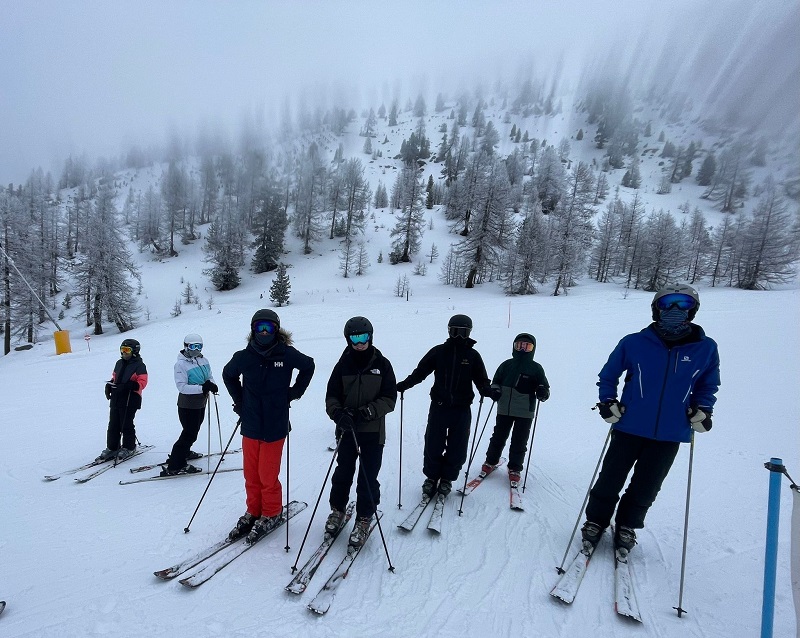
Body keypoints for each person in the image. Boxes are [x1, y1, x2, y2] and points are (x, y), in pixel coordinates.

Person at [581, 284, 720, 553]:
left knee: (647, 485)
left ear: (693, 310)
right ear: (657, 308)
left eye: (684, 304)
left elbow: (708, 384)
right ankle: (596, 520)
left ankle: (627, 524)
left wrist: (704, 410)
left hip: (671, 431)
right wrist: (607, 401)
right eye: (668, 303)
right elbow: (608, 375)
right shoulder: (634, 342)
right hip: (629, 425)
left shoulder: (705, 348)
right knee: (610, 478)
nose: (675, 310)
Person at [222, 309, 315, 544]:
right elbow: (228, 375)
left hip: (275, 425)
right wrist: (240, 401)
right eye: (260, 327)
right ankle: (254, 511)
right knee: (251, 473)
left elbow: (308, 366)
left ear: (276, 329)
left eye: (269, 328)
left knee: (267, 474)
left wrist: (294, 392)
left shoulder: (286, 354)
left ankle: (272, 512)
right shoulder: (244, 356)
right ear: (253, 329)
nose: (264, 332)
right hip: (251, 424)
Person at [395, 314, 492, 499]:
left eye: (463, 333)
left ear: (469, 333)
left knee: (458, 446)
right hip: (439, 407)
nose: (459, 337)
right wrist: (404, 385)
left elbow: (482, 380)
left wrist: (488, 390)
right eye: (455, 332)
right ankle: (431, 478)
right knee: (433, 443)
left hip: (462, 409)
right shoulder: (439, 352)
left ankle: (447, 478)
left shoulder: (472, 356)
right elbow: (420, 372)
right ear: (449, 331)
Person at [325, 317, 397, 548]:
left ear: (370, 337)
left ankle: (364, 517)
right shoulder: (342, 365)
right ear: (348, 339)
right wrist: (338, 414)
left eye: (363, 337)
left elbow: (389, 398)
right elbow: (331, 396)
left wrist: (367, 411)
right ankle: (337, 510)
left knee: (368, 475)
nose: (360, 343)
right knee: (343, 472)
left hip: (372, 431)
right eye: (355, 338)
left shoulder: (382, 364)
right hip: (347, 429)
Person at [482, 333, 550, 484]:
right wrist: (495, 390)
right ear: (514, 347)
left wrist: (542, 392)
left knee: (519, 441)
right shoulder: (507, 365)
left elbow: (544, 387)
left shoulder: (536, 368)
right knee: (498, 436)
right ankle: (490, 461)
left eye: (527, 346)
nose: (523, 349)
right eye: (519, 346)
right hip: (504, 408)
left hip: (525, 410)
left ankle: (515, 468)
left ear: (532, 349)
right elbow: (496, 381)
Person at [161, 333, 219, 477]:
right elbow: (182, 387)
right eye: (193, 346)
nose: (196, 350)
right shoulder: (180, 364)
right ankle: (176, 464)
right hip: (187, 404)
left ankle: (184, 452)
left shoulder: (203, 360)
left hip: (200, 402)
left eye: (199, 346)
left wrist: (211, 384)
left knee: (194, 430)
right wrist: (202, 388)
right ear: (186, 346)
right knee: (189, 433)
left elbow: (209, 376)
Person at [97, 339, 148, 461]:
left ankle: (129, 447)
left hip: (131, 398)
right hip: (117, 397)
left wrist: (133, 385)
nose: (124, 353)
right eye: (122, 350)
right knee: (113, 423)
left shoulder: (139, 365)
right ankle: (112, 447)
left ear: (134, 351)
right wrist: (110, 385)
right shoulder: (119, 363)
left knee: (126, 423)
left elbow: (143, 382)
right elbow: (115, 377)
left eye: (127, 350)